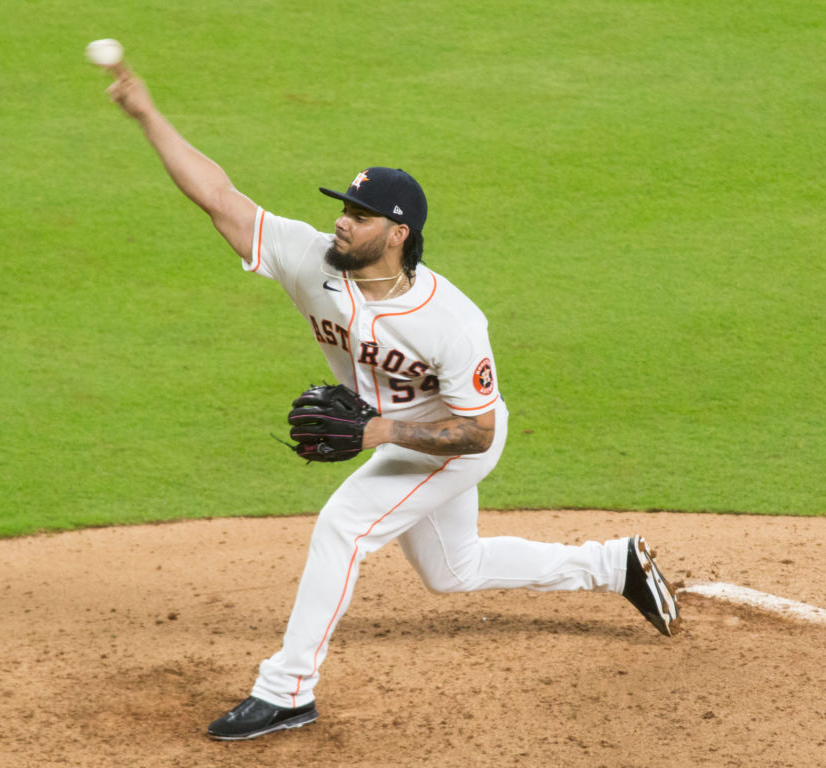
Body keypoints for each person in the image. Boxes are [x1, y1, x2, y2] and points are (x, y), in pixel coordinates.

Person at [102, 65, 680, 742]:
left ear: (398, 233)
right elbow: (221, 198)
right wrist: (146, 114)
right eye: (343, 209)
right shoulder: (311, 261)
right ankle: (611, 565)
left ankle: (287, 688)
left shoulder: (453, 320)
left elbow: (478, 430)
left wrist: (378, 430)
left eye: (358, 216)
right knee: (452, 570)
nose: (341, 223)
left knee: (343, 524)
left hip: (452, 439)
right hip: (400, 435)